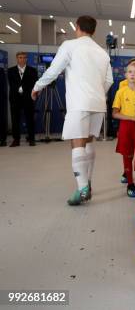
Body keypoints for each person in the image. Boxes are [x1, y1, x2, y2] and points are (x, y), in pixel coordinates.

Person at [32, 16, 113, 205]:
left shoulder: (70, 45)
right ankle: (88, 183)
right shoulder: (102, 52)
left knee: (77, 143)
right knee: (89, 141)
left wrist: (37, 86)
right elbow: (109, 80)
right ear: (93, 30)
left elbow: (54, 70)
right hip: (98, 103)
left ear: (77, 27)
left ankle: (82, 187)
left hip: (79, 102)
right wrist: (98, 93)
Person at [112, 60, 135, 197]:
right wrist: (131, 118)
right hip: (127, 127)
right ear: (126, 74)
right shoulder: (121, 92)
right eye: (130, 72)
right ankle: (130, 183)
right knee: (127, 155)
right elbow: (115, 113)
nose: (133, 75)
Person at [8, 52, 38, 146]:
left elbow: (34, 84)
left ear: (26, 59)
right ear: (17, 59)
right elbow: (12, 83)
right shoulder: (10, 70)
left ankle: (31, 139)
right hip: (15, 98)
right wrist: (19, 88)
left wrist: (24, 89)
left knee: (30, 119)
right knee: (15, 119)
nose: (22, 59)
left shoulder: (32, 70)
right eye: (20, 57)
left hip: (28, 98)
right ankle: (16, 140)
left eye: (24, 57)